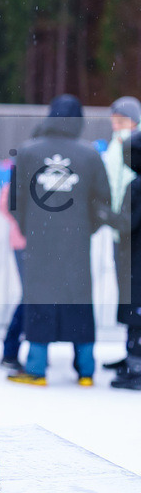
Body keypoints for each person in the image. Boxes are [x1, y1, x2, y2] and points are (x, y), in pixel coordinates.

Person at [8, 94, 112, 386]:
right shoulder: (90, 155)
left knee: (40, 298)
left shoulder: (28, 152)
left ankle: (37, 368)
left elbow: (15, 200)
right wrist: (86, 228)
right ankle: (86, 370)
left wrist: (29, 227)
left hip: (39, 240)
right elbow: (103, 200)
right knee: (79, 299)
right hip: (76, 241)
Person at [103, 96, 141, 374]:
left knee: (135, 293)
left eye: (121, 120)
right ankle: (130, 350)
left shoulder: (133, 145)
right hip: (123, 228)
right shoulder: (115, 145)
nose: (116, 126)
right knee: (128, 292)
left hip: (131, 225)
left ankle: (135, 356)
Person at [112, 131, 141, 390]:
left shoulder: (136, 186)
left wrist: (104, 214)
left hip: (136, 262)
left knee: (136, 315)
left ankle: (136, 368)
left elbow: (127, 223)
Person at [0, 170, 28, 371]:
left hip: (34, 244)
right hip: (23, 244)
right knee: (30, 297)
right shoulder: (17, 181)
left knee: (33, 297)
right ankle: (11, 349)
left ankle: (33, 348)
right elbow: (6, 208)